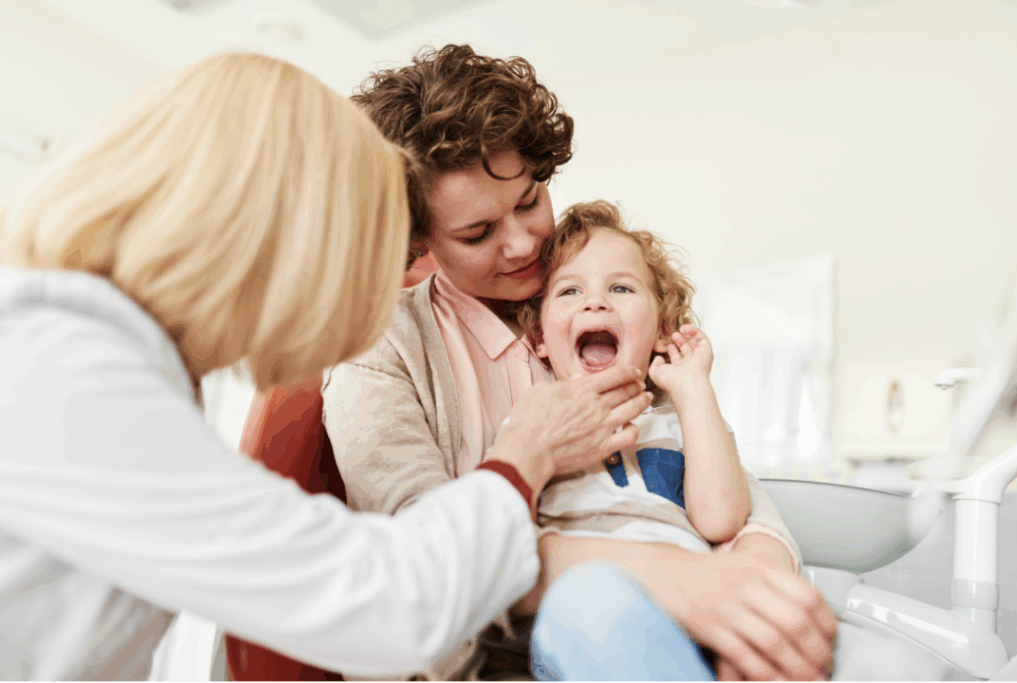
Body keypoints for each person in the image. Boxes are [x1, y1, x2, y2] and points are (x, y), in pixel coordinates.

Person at [0, 52, 649, 680]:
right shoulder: (62, 374)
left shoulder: (109, 364)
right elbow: (389, 602)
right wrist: (525, 454)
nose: (347, 292)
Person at [324, 44, 837, 681]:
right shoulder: (380, 351)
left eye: (529, 201)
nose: (522, 245)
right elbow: (426, 559)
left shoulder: (595, 307)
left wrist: (753, 582)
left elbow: (699, 474)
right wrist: (670, 576)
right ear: (418, 238)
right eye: (477, 234)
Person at [516, 200, 798, 679]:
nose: (595, 302)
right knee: (595, 604)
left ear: (663, 329)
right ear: (540, 337)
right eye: (570, 291)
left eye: (620, 288)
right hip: (583, 617)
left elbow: (721, 519)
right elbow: (505, 537)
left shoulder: (685, 422)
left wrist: (692, 388)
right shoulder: (529, 424)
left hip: (700, 611)